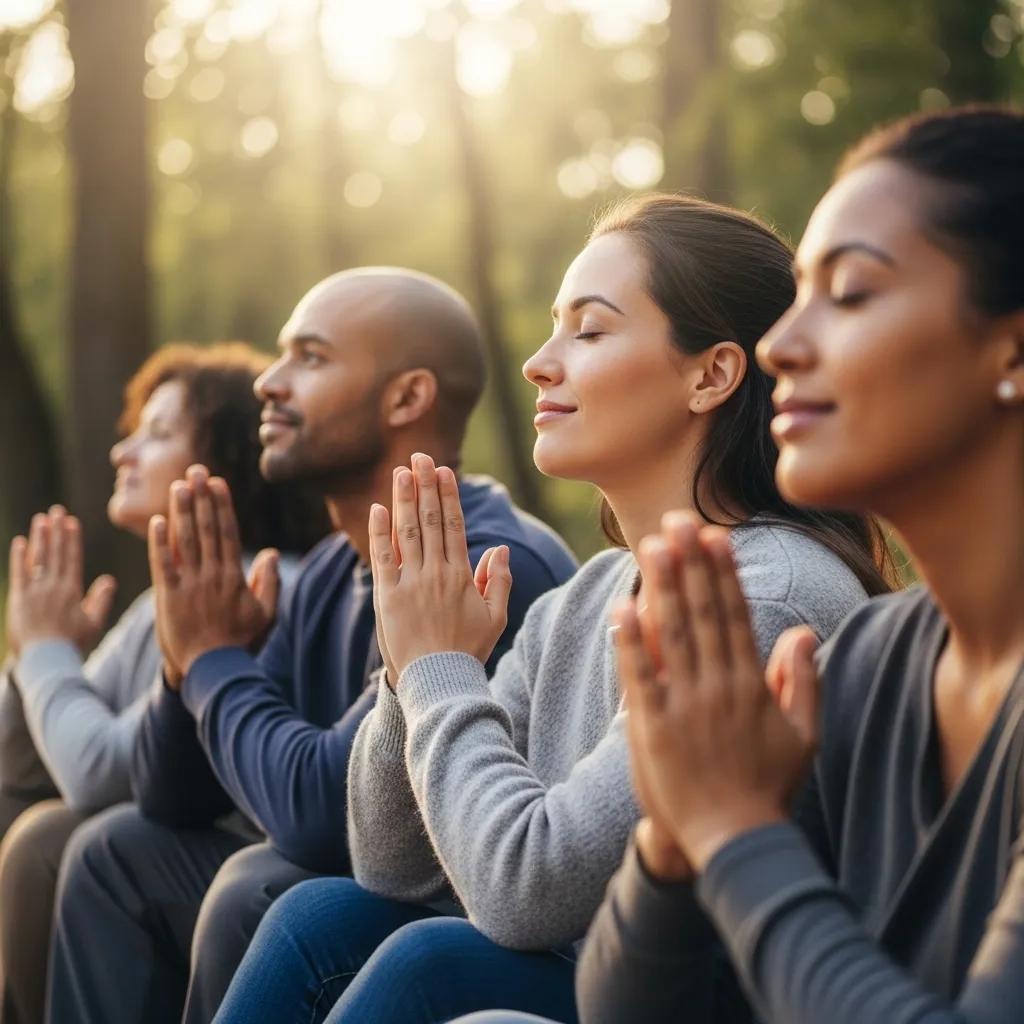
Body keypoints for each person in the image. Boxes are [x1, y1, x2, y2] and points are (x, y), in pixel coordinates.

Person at [211, 194, 893, 1024]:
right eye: (552, 326)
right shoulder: (584, 599)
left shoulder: (766, 595)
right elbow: (392, 866)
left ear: (710, 374)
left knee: (435, 961)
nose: (538, 362)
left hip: (701, 1000)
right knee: (316, 918)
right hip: (589, 981)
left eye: (590, 330)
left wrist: (441, 668)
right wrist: (407, 667)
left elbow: (525, 891)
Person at [507, 103, 1024, 1024]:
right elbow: (630, 1009)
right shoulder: (872, 660)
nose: (782, 346)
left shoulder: (789, 603)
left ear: (1011, 347)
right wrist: (673, 839)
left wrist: (733, 829)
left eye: (853, 292)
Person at [46, 268, 579, 1024]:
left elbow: (323, 818)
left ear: (407, 397)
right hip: (350, 875)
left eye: (311, 357)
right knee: (118, 850)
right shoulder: (338, 559)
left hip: (450, 908)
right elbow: (174, 794)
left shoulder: (487, 563)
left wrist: (213, 662)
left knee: (259, 888)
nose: (269, 381)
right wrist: (184, 660)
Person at [0, 341, 326, 1024]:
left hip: (252, 884)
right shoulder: (158, 608)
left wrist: (46, 655)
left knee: (56, 837)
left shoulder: (266, 587)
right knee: (31, 822)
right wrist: (32, 652)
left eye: (158, 434)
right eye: (131, 433)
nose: (123, 453)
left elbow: (98, 772)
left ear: (227, 464)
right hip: (174, 873)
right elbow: (26, 758)